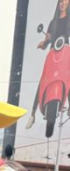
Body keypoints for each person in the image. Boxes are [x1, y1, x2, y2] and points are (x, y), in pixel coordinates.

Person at [27, 0, 70, 129]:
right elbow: (47, 39)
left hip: (66, 50)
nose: (63, 3)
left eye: (65, 1)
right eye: (61, 1)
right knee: (43, 78)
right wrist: (43, 43)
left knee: (69, 76)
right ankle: (33, 114)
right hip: (53, 51)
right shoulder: (53, 23)